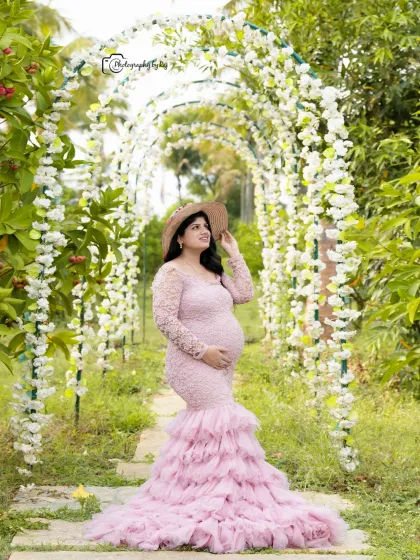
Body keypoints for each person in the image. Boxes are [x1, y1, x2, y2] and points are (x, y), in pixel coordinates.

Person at [83, 200, 349, 553]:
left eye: (205, 226)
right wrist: (203, 350)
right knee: (223, 422)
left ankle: (213, 496)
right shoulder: (171, 273)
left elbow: (244, 295)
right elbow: (164, 320)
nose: (203, 231)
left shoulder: (214, 271)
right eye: (194, 227)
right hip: (191, 363)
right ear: (179, 238)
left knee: (212, 432)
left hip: (223, 367)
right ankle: (212, 502)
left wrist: (234, 254)